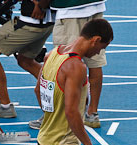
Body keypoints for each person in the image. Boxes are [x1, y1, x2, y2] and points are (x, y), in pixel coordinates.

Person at [29, 0, 107, 129]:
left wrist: (40, 5)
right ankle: (92, 113)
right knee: (95, 62)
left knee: (62, 61)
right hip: (96, 6)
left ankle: (54, 116)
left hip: (69, 11)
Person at [0, 0, 54, 118]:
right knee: (25, 60)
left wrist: (38, 4)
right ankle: (60, 95)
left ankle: (5, 106)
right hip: (47, 23)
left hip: (30, 22)